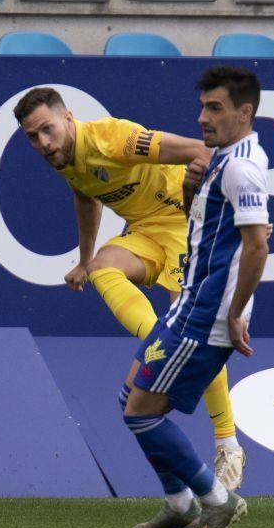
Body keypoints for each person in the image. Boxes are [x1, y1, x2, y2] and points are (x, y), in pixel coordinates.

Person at [13, 87, 246, 491]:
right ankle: (160, 336)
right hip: (144, 233)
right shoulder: (65, 157)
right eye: (33, 137)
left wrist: (241, 213)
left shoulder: (112, 138)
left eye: (47, 130)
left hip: (184, 225)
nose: (43, 143)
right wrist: (84, 260)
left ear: (68, 117)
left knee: (197, 334)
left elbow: (201, 152)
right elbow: (86, 197)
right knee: (104, 267)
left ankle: (228, 443)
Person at [122, 66, 269, 528]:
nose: (203, 118)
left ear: (244, 112)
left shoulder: (242, 168)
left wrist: (234, 312)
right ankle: (179, 502)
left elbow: (257, 245)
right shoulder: (223, 160)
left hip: (204, 318)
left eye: (216, 108)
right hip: (187, 306)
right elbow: (214, 234)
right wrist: (189, 192)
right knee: (131, 395)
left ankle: (215, 500)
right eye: (203, 106)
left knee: (141, 412)